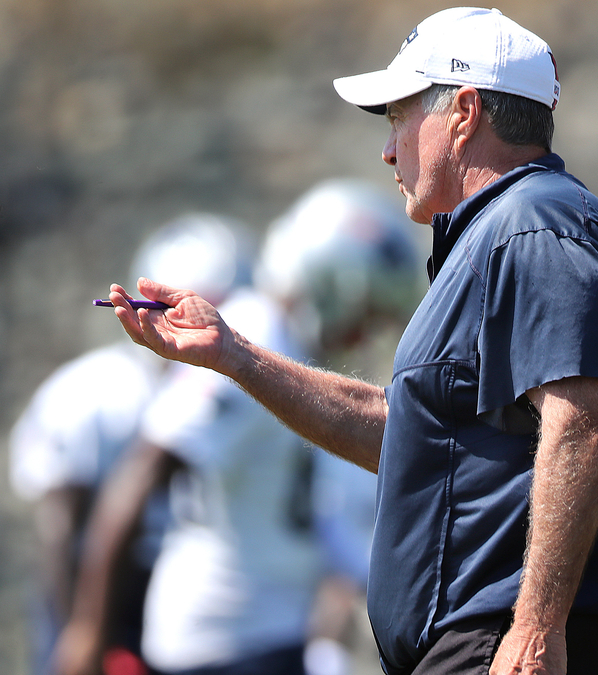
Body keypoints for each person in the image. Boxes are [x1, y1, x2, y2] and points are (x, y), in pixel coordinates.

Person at [101, 7, 598, 675]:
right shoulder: (503, 233)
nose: (387, 148)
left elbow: (583, 426)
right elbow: (406, 435)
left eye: (400, 117)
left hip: (516, 643)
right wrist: (234, 354)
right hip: (490, 638)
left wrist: (534, 632)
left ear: (465, 113)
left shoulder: (533, 223)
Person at [55, 180, 425, 675]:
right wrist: (88, 630)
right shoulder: (256, 332)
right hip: (225, 639)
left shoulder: (288, 350)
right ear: (333, 283)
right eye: (364, 315)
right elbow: (146, 467)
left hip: (272, 634)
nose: (361, 336)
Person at [9, 214, 254, 675]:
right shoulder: (96, 394)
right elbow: (60, 526)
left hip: (173, 595)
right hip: (97, 594)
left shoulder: (225, 400)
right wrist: (79, 631)